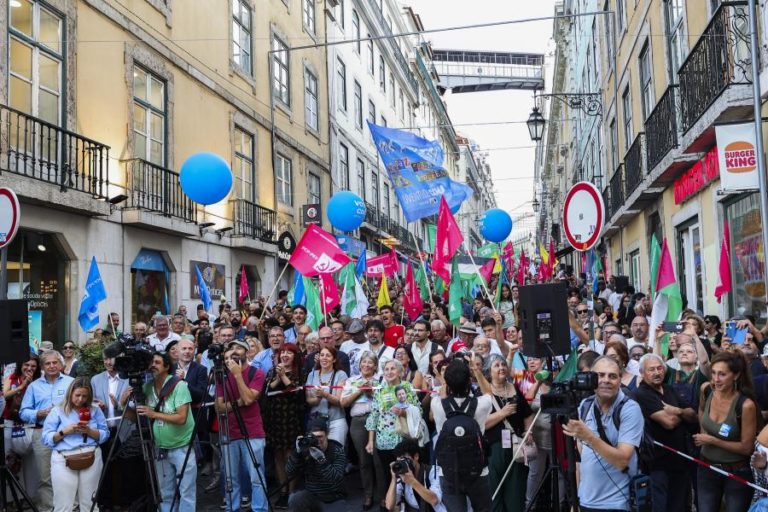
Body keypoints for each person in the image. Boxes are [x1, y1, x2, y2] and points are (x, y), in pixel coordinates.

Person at [562, 356, 644, 511]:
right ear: (591, 379)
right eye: (600, 375)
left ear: (620, 380)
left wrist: (589, 436)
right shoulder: (584, 406)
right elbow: (581, 457)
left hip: (617, 503)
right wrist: (576, 500)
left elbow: (622, 461)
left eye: (612, 376)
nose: (606, 380)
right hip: (585, 501)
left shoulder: (629, 409)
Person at [695, 351, 758, 512]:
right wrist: (704, 430)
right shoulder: (706, 390)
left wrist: (712, 440)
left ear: (735, 376)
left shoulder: (745, 405)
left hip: (736, 472)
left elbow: (746, 448)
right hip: (706, 467)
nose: (716, 379)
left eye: (722, 374)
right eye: (714, 373)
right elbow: (701, 410)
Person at [633, 354, 697, 512]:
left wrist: (677, 411)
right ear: (642, 372)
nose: (656, 372)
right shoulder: (642, 394)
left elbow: (693, 416)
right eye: (651, 369)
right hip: (657, 463)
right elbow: (669, 423)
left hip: (680, 460)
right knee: (660, 506)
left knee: (680, 506)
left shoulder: (669, 389)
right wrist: (682, 414)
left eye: (659, 368)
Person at [135, 351, 197, 512]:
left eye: (157, 362)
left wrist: (154, 414)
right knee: (165, 492)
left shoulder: (178, 385)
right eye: (151, 363)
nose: (152, 366)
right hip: (160, 447)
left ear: (167, 366)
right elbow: (136, 416)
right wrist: (123, 402)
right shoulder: (147, 387)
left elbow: (182, 417)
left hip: (182, 446)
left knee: (186, 492)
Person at [431, 358, 492, 512]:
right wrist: (476, 371)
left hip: (448, 471)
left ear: (447, 382)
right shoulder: (482, 404)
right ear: (469, 380)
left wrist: (444, 380)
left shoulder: (437, 405)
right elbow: (489, 393)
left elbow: (443, 393)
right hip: (478, 471)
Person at [214, 340, 268, 512]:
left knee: (256, 476)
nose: (234, 351)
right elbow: (219, 407)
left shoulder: (256, 373)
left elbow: (249, 399)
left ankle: (259, 509)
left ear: (247, 352)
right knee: (231, 477)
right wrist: (239, 402)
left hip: (253, 431)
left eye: (238, 348)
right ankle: (232, 507)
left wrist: (237, 375)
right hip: (229, 432)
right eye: (230, 349)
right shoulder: (222, 376)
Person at [42, 377, 110, 512]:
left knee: (89, 504)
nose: (80, 399)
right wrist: (65, 431)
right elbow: (46, 438)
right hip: (64, 458)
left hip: (91, 455)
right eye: (77, 395)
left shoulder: (95, 410)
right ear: (70, 393)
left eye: (84, 396)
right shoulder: (57, 411)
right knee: (64, 505)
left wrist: (89, 431)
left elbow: (105, 434)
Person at [19, 350, 74, 512]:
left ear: (61, 364)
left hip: (67, 435)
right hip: (42, 434)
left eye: (55, 362)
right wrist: (39, 413)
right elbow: (23, 412)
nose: (51, 366)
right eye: (47, 363)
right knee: (45, 477)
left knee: (68, 474)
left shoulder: (71, 382)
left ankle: (69, 508)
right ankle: (48, 509)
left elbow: (81, 405)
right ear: (42, 367)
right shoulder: (34, 386)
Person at [367, 360, 421, 508]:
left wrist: (404, 412)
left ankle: (411, 503)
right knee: (387, 474)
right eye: (386, 369)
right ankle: (390, 504)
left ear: (399, 371)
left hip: (403, 439)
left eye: (392, 369)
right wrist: (370, 441)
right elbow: (374, 415)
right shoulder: (380, 390)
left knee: (406, 472)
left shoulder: (407, 387)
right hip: (383, 440)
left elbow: (418, 411)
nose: (389, 372)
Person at [484, 354, 534, 512]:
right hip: (494, 449)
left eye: (503, 364)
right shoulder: (484, 393)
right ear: (488, 371)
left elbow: (528, 414)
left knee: (516, 493)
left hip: (516, 448)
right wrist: (502, 413)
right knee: (494, 491)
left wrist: (528, 430)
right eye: (496, 365)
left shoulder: (514, 388)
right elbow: (480, 424)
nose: (501, 368)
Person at [264, 343, 305, 509]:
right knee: (278, 456)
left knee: (290, 457)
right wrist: (278, 376)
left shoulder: (300, 373)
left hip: (291, 419)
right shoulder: (272, 371)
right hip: (275, 419)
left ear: (295, 356)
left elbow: (296, 393)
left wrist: (284, 377)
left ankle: (291, 491)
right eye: (283, 352)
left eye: (289, 352)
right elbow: (267, 390)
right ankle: (282, 491)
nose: (285, 355)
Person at [341, 351, 379, 511]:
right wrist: (359, 391)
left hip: (377, 421)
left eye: (370, 362)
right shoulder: (351, 381)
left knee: (378, 459)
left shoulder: (381, 381)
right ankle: (368, 495)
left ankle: (384, 495)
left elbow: (385, 401)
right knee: (364, 461)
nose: (366, 365)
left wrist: (372, 392)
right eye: (364, 362)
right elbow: (344, 402)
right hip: (358, 422)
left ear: (375, 366)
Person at [285, 417, 348, 511]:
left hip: (333, 497)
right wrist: (296, 453)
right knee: (295, 499)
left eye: (320, 437)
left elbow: (336, 478)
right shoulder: (305, 450)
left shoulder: (337, 450)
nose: (317, 441)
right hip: (312, 496)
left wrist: (321, 459)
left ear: (327, 434)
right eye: (314, 437)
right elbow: (289, 472)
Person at [3, 356, 40, 497]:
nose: (29, 368)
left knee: (31, 463)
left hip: (30, 424)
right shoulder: (12, 377)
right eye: (26, 365)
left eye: (33, 366)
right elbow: (5, 395)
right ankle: (12, 497)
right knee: (11, 461)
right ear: (21, 365)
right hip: (11, 423)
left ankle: (30, 496)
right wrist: (22, 386)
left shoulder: (39, 381)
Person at [385, 438, 446, 512]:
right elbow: (389, 506)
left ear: (416, 456)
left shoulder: (433, 471)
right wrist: (393, 478)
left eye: (404, 460)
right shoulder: (402, 477)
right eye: (399, 461)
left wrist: (412, 481)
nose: (403, 464)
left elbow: (434, 500)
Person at [306, 347, 348, 446]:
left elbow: (339, 401)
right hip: (316, 421)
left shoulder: (341, 374)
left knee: (336, 452)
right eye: (322, 355)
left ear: (334, 359)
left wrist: (324, 394)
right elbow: (308, 400)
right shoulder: (312, 375)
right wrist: (317, 399)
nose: (324, 358)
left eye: (328, 355)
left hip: (336, 421)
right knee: (317, 451)